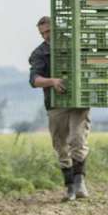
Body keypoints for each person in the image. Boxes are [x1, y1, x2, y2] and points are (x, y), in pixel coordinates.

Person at [29, 16, 91, 202]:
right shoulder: (40, 53)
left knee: (77, 139)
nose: (46, 36)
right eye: (43, 33)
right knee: (60, 145)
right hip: (55, 105)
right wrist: (53, 81)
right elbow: (34, 80)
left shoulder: (74, 45)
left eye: (49, 31)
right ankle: (69, 186)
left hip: (78, 102)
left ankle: (80, 183)